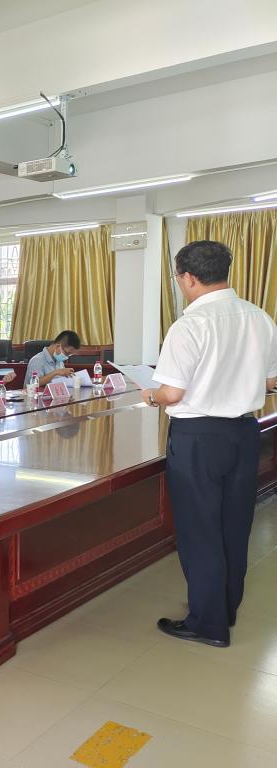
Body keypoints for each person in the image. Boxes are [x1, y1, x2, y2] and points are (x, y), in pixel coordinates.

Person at [143, 240, 277, 648]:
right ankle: (226, 609)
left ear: (188, 277)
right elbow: (271, 381)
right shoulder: (260, 317)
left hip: (198, 438)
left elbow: (172, 393)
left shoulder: (190, 325)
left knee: (200, 530)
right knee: (234, 525)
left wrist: (149, 395)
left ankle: (207, 624)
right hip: (244, 433)